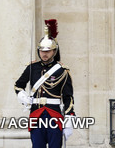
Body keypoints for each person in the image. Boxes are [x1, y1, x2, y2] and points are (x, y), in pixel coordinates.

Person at [14, 19, 74, 148]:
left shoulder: (62, 71)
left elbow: (68, 97)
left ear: (54, 51)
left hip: (54, 115)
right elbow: (18, 85)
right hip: (36, 114)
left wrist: (69, 119)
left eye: (48, 51)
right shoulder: (32, 67)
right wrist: (22, 96)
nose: (44, 54)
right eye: (42, 51)